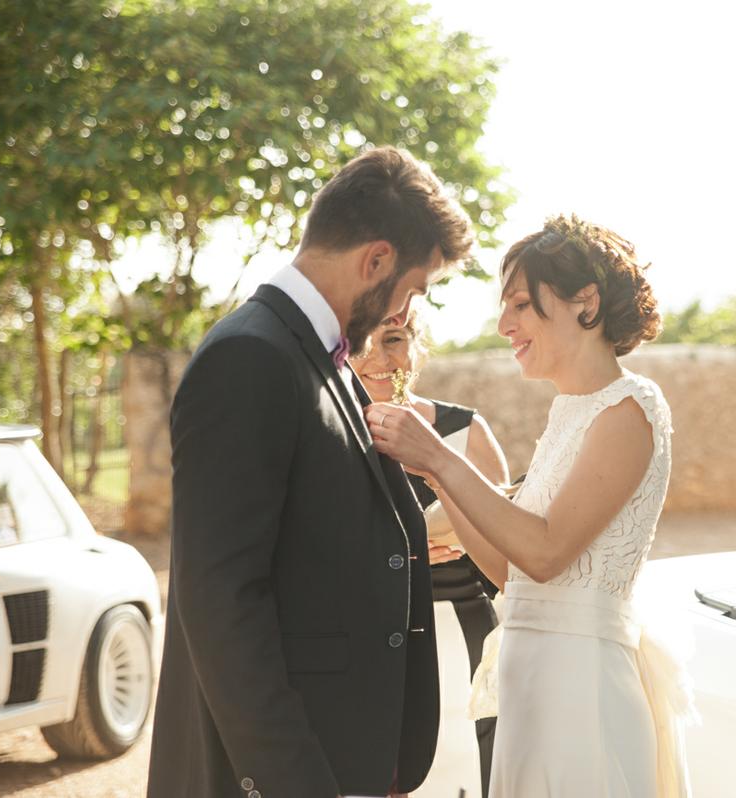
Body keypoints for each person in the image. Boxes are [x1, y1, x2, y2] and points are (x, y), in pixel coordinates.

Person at [147, 146, 474, 798]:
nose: (405, 315)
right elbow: (221, 604)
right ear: (375, 259)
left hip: (342, 754)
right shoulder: (249, 357)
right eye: (413, 289)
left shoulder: (318, 358)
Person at [365, 214, 692, 797]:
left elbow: (545, 552)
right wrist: (434, 477)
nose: (503, 324)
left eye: (519, 304)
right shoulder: (569, 411)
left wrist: (442, 460)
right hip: (532, 681)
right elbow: (510, 574)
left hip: (581, 691)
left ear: (584, 302)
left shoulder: (630, 409)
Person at [351, 310, 508, 798]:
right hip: (366, 631)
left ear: (417, 348)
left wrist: (466, 536)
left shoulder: (465, 429)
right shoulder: (325, 434)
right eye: (361, 342)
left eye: (394, 338)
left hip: (466, 629)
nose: (377, 356)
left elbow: (509, 530)